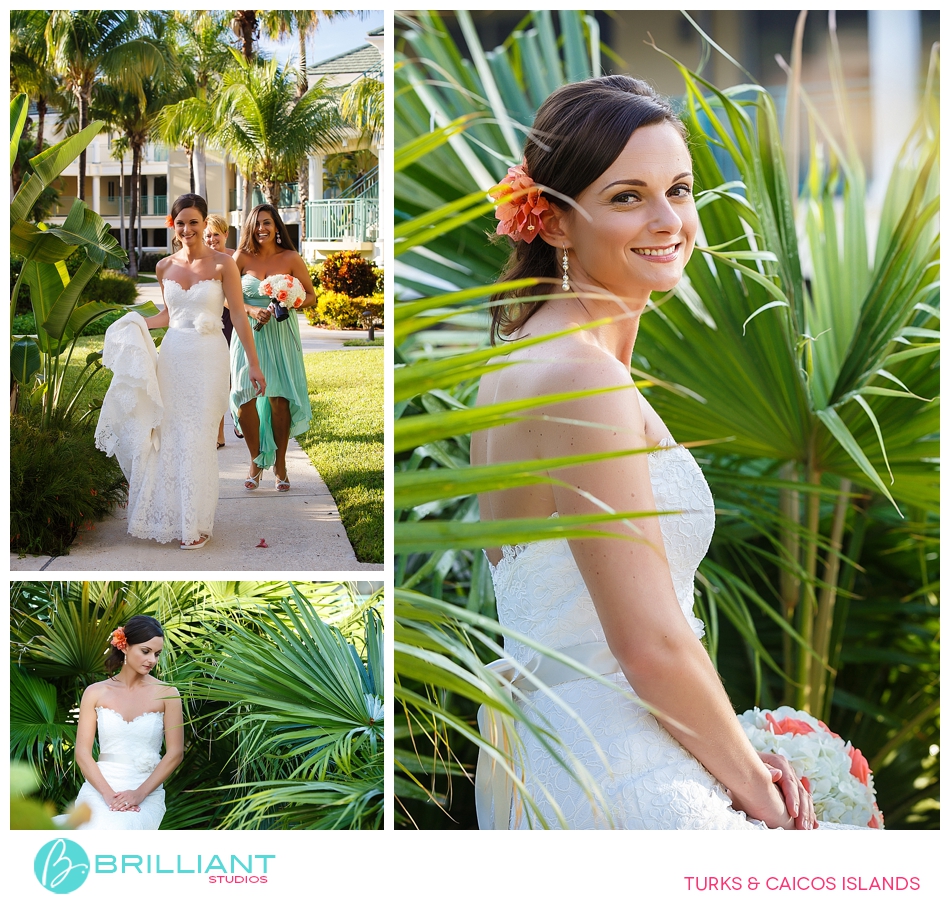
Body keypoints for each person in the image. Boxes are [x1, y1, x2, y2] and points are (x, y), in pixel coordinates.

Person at [472, 76, 866, 831]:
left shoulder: (545, 354)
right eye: (627, 197)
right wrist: (760, 793)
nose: (667, 220)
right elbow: (647, 644)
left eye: (678, 190)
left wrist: (749, 751)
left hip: (588, 749)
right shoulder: (578, 374)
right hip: (625, 775)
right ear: (553, 223)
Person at [95, 193, 266, 549]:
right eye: (181, 222)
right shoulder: (164, 267)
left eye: (194, 222)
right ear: (173, 225)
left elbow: (236, 314)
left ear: (205, 224)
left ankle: (196, 522)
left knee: (200, 435)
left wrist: (252, 363)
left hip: (208, 357)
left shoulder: (223, 264)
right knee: (170, 434)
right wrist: (135, 322)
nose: (187, 229)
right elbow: (168, 316)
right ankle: (167, 516)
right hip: (173, 356)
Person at [62, 616, 182, 830]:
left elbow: (175, 754)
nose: (152, 660)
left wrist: (139, 794)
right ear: (124, 646)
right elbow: (82, 753)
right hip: (99, 788)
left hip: (145, 790)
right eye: (145, 651)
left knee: (118, 829)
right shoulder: (95, 692)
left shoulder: (168, 694)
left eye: (157, 654)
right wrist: (108, 795)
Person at [230, 204, 316, 493]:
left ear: (277, 226)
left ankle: (280, 463)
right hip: (248, 335)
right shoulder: (240, 258)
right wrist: (252, 310)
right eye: (256, 224)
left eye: (267, 223)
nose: (261, 229)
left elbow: (312, 296)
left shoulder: (291, 258)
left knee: (280, 399)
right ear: (249, 228)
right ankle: (255, 461)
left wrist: (289, 299)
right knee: (245, 398)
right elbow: (227, 299)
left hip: (280, 335)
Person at [205, 213, 235, 449]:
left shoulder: (236, 257)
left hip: (236, 319)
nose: (212, 239)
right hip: (213, 321)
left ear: (225, 234)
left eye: (216, 234)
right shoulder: (201, 259)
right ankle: (218, 433)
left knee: (236, 375)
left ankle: (240, 413)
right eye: (208, 235)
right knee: (217, 378)